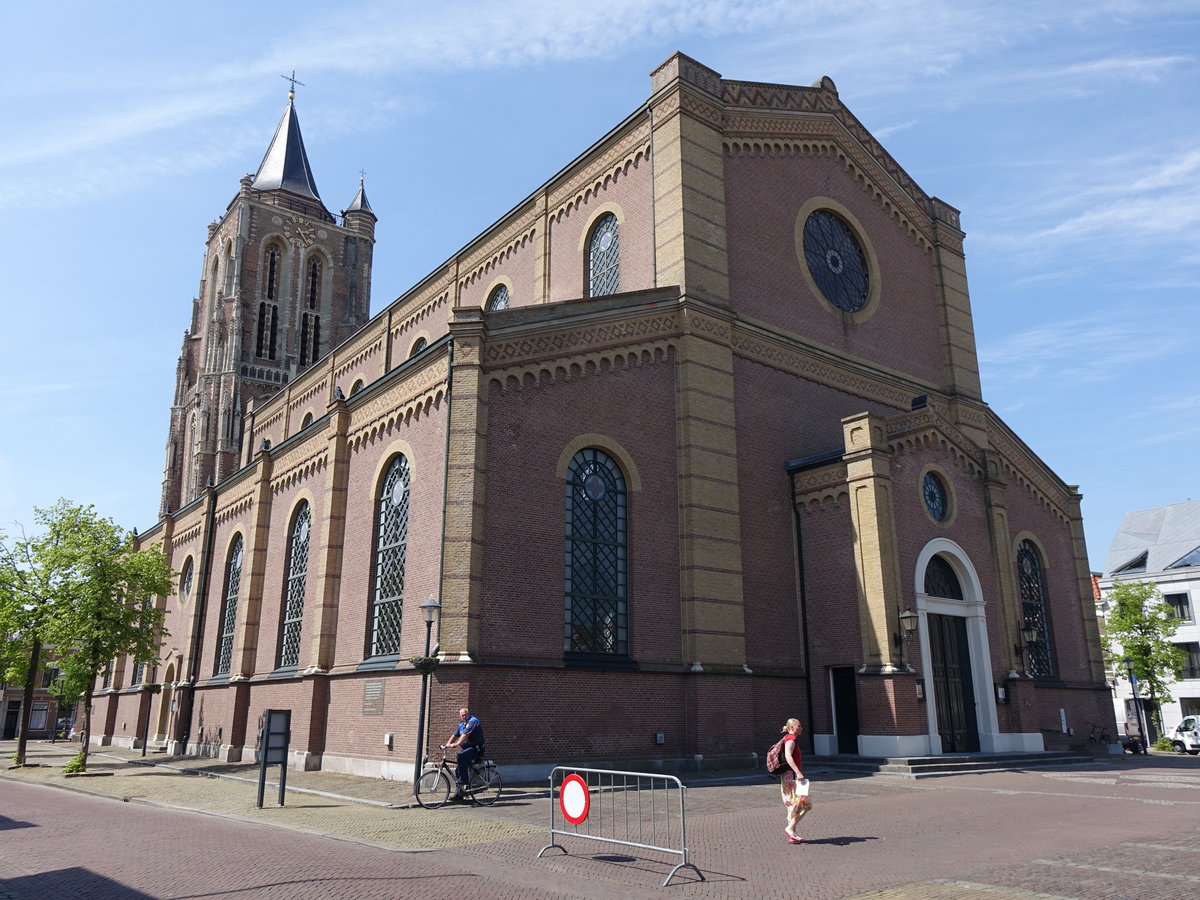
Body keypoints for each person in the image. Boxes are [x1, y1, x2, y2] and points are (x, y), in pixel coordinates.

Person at [779, 717, 811, 844]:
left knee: (792, 805)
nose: (801, 728)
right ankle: (790, 828)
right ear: (792, 728)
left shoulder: (789, 738)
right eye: (799, 725)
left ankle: (793, 835)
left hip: (788, 776)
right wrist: (798, 772)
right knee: (805, 804)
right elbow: (788, 756)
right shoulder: (791, 739)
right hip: (791, 776)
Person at [442, 707, 485, 798]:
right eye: (462, 715)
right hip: (467, 749)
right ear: (460, 716)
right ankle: (459, 794)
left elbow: (465, 735)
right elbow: (455, 735)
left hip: (475, 749)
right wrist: (447, 744)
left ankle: (464, 780)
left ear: (468, 714)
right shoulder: (461, 724)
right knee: (458, 770)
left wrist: (456, 744)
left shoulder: (473, 721)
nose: (464, 716)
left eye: (465, 714)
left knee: (460, 756)